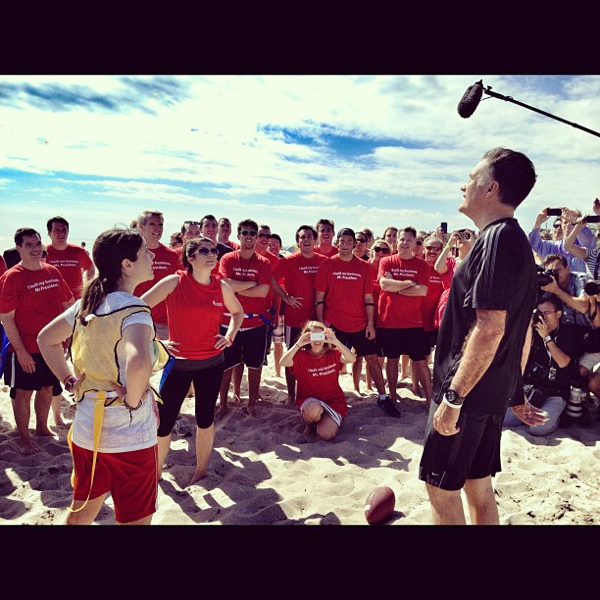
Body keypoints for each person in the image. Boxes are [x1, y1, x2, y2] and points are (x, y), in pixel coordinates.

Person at [419, 147, 544, 525]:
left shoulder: (494, 239)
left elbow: (491, 328)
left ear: (490, 188)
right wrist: (516, 393)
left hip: (468, 395)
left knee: (441, 491)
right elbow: (519, 331)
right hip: (490, 394)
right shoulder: (515, 240)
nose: (464, 184)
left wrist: (453, 398)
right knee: (478, 485)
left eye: (471, 178)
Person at [37, 227, 166, 525]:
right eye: (145, 252)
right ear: (127, 264)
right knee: (134, 520)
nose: (152, 255)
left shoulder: (89, 303)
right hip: (128, 436)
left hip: (87, 429)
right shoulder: (135, 309)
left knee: (82, 512)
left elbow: (46, 339)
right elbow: (138, 362)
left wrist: (69, 380)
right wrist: (134, 401)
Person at [141, 236, 243, 485]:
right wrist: (156, 341)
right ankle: (156, 473)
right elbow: (138, 308)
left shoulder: (221, 286)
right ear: (190, 257)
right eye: (204, 250)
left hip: (211, 363)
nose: (212, 255)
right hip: (178, 363)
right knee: (164, 422)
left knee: (205, 418)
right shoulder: (175, 281)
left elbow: (237, 312)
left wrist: (229, 335)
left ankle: (200, 470)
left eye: (214, 251)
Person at [0, 227, 73, 455]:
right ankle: (24, 438)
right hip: (24, 348)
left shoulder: (52, 271)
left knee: (47, 388)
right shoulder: (12, 277)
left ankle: (42, 428)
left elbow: (67, 304)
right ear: (19, 248)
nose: (34, 248)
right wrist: (21, 352)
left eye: (37, 243)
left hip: (51, 346)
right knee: (22, 393)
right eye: (29, 245)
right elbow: (7, 319)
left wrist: (69, 336)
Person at [314, 227, 400, 418]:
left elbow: (369, 298)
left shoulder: (363, 267)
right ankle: (329, 398)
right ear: (338, 243)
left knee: (372, 360)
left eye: (349, 241)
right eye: (342, 241)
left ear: (355, 244)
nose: (345, 245)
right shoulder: (328, 265)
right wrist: (321, 325)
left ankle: (383, 397)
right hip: (335, 324)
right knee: (331, 363)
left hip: (360, 324)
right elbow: (319, 298)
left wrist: (370, 324)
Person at [217, 219, 271, 418]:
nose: (248, 236)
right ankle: (223, 403)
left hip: (255, 323)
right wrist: (251, 284)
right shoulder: (228, 259)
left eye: (252, 233)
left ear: (256, 237)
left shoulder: (263, 262)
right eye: (245, 232)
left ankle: (251, 404)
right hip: (229, 321)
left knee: (255, 366)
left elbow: (264, 291)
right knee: (226, 366)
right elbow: (224, 284)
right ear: (238, 235)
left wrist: (236, 287)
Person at [44, 215, 95, 427]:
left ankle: (77, 388)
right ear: (49, 232)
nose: (61, 232)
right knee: (53, 348)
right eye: (57, 229)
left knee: (77, 352)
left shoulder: (78, 251)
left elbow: (91, 269)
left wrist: (87, 287)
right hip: (49, 308)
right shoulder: (45, 252)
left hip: (75, 307)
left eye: (64, 229)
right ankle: (59, 388)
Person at [504, 293, 579, 436]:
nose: (543, 317)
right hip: (532, 390)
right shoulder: (532, 332)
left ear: (558, 314)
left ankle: (557, 416)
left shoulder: (568, 333)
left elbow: (563, 363)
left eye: (547, 313)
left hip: (555, 393)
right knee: (506, 420)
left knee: (538, 428)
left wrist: (547, 337)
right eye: (540, 312)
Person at [271, 225, 326, 404]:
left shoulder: (324, 261)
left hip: (317, 320)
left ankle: (313, 392)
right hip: (294, 320)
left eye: (309, 236)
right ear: (297, 241)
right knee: (292, 356)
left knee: (317, 356)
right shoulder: (289, 261)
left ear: (315, 240)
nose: (306, 240)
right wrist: (286, 297)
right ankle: (291, 394)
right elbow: (271, 279)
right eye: (302, 237)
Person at [377, 226, 431, 408]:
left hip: (413, 322)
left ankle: (430, 400)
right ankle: (392, 396)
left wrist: (397, 287)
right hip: (388, 321)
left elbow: (422, 290)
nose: (404, 243)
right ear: (396, 241)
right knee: (392, 361)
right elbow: (384, 284)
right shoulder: (387, 261)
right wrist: (410, 284)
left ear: (415, 243)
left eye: (409, 240)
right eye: (401, 239)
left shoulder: (421, 264)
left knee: (420, 361)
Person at [280, 320, 356, 441]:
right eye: (312, 336)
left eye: (320, 336)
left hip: (333, 402)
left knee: (326, 435)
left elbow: (352, 359)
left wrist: (335, 341)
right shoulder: (301, 355)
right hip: (310, 401)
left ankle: (325, 419)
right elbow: (283, 362)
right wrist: (298, 344)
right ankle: (309, 425)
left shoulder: (333, 354)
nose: (317, 340)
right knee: (314, 410)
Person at [132, 210, 181, 341]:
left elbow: (179, 286)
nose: (157, 228)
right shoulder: (130, 253)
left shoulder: (172, 255)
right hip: (135, 317)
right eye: (152, 224)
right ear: (141, 227)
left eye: (160, 224)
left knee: (164, 360)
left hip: (164, 322)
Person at [411, 235, 445, 397]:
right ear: (423, 249)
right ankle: (416, 388)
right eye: (429, 248)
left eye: (436, 248)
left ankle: (428, 387)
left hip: (437, 323)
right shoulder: (418, 267)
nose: (432, 251)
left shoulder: (443, 270)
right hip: (418, 321)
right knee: (418, 357)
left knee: (428, 357)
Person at [528, 206, 595, 273]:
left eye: (571, 222)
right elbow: (534, 244)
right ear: (562, 224)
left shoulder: (585, 246)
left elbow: (588, 238)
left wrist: (575, 224)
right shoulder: (553, 247)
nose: (568, 225)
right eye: (565, 222)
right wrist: (538, 223)